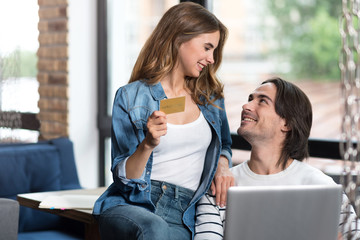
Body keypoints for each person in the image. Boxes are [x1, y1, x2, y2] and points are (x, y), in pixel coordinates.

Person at [92, 2, 235, 240]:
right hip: (133, 205)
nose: (211, 59)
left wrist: (222, 166)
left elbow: (225, 145)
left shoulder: (210, 99)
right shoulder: (131, 96)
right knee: (154, 228)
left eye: (214, 51)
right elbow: (123, 177)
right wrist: (147, 144)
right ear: (179, 38)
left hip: (184, 211)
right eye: (207, 48)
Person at [194, 77, 360, 240]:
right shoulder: (220, 188)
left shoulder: (323, 188)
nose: (246, 105)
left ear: (287, 123)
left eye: (262, 101)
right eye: (250, 99)